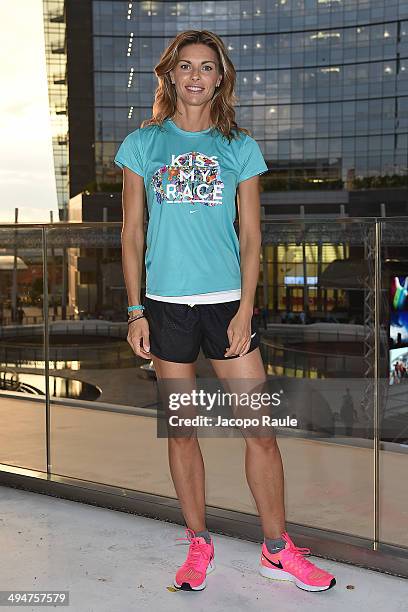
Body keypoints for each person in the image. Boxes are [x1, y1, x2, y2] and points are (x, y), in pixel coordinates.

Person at [114, 30, 335, 594]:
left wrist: (244, 310)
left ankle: (277, 548)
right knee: (183, 431)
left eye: (206, 67)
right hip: (165, 308)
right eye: (185, 66)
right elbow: (132, 232)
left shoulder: (239, 147)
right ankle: (198, 542)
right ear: (170, 76)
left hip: (225, 307)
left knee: (260, 431)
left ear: (220, 79)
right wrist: (136, 310)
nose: (195, 76)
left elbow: (254, 238)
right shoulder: (142, 144)